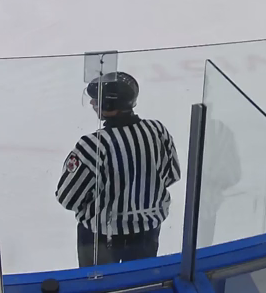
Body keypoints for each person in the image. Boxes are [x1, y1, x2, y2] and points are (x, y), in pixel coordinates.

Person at [55, 72, 178, 266]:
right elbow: (171, 175)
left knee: (98, 286)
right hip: (147, 234)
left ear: (109, 105)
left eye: (96, 100)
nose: (92, 103)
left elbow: (67, 197)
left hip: (101, 240)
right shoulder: (157, 130)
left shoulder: (93, 145)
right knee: (138, 285)